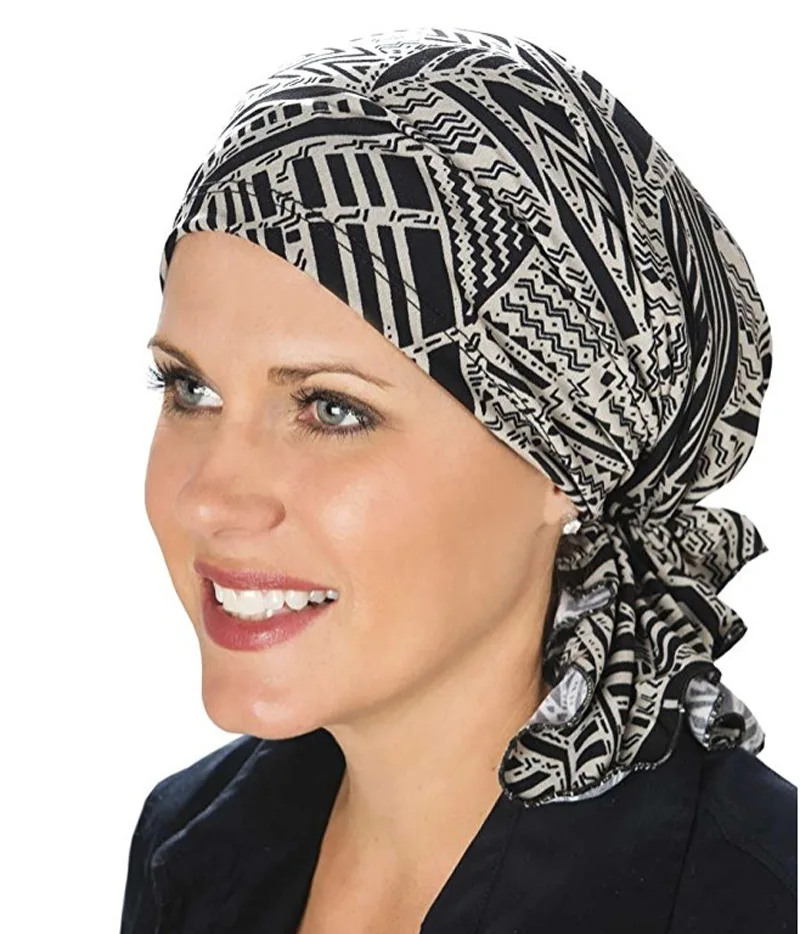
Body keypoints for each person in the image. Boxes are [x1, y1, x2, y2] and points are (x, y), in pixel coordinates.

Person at [121, 26, 796, 934]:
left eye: (332, 409)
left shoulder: (751, 899)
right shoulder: (195, 844)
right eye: (190, 389)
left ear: (569, 455)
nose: (207, 496)